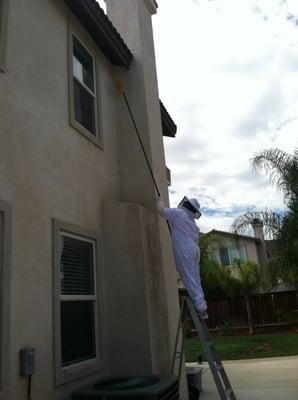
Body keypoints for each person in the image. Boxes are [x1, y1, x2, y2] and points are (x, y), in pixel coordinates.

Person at [157, 195, 208, 319]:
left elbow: (160, 210)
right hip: (194, 250)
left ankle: (201, 309)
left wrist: (159, 200)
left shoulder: (178, 213)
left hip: (185, 249)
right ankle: (202, 306)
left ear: (186, 205)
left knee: (189, 277)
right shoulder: (193, 223)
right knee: (195, 278)